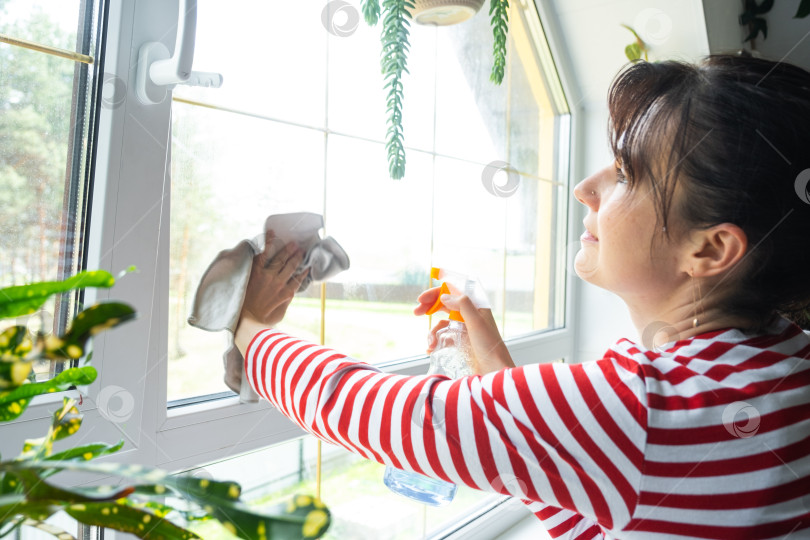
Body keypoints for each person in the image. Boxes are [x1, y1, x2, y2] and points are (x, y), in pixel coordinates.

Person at [233, 54, 810, 539]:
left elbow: (375, 410)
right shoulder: (787, 362)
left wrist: (254, 331)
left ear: (709, 251)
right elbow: (618, 505)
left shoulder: (649, 409)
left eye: (627, 175)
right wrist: (493, 364)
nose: (586, 189)